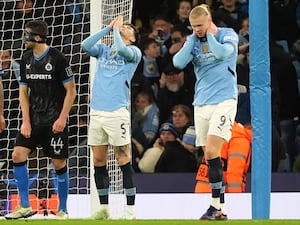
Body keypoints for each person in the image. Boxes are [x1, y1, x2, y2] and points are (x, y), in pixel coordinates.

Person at [4, 20, 76, 220]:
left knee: (58, 163)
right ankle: (25, 206)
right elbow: (23, 93)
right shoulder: (26, 58)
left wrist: (62, 118)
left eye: (26, 34)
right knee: (17, 155)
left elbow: (71, 91)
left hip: (54, 121)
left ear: (36, 37)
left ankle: (63, 209)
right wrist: (25, 121)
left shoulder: (58, 58)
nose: (23, 38)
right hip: (33, 121)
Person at [173, 4, 238, 220]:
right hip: (201, 103)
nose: (197, 30)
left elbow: (222, 54)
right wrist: (191, 40)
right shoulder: (194, 40)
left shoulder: (227, 35)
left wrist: (209, 36)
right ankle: (221, 208)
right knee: (210, 156)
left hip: (224, 100)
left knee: (211, 151)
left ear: (209, 20)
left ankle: (214, 205)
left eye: (200, 26)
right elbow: (177, 62)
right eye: (193, 27)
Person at [81, 15, 142, 220]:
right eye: (123, 25)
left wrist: (116, 30)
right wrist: (108, 28)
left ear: (133, 38)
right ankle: (104, 208)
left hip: (117, 112)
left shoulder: (134, 52)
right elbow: (86, 45)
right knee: (98, 161)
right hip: (97, 111)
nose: (124, 27)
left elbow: (122, 49)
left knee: (123, 159)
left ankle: (131, 210)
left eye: (128, 28)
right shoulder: (105, 50)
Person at [195, 92, 252, 193]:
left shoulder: (220, 131)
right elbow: (234, 174)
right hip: (220, 196)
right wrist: (236, 199)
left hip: (202, 190)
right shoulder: (240, 139)